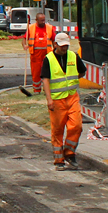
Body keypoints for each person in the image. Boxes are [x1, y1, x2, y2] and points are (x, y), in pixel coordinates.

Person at [42, 32, 86, 169]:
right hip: (57, 101)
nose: (64, 49)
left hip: (72, 97)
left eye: (66, 46)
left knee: (77, 126)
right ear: (55, 45)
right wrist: (49, 99)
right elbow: (45, 80)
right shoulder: (48, 59)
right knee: (57, 130)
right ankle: (59, 160)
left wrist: (72, 81)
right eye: (62, 46)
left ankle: (69, 153)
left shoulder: (73, 56)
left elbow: (82, 72)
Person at [23, 12, 56, 94]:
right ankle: (36, 90)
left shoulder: (49, 28)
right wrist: (24, 45)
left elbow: (54, 40)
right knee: (36, 72)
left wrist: (56, 49)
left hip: (47, 54)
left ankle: (46, 89)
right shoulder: (31, 28)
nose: (43, 22)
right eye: (41, 20)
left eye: (44, 20)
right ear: (36, 20)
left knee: (47, 72)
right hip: (35, 54)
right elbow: (24, 39)